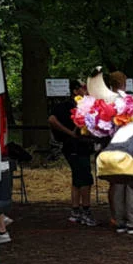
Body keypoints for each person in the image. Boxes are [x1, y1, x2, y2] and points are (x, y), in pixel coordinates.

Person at [48, 80, 98, 226]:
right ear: (75, 91)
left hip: (80, 146)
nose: (86, 91)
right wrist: (70, 133)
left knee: (77, 179)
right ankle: (86, 212)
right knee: (85, 179)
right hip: (74, 146)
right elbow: (51, 119)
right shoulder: (67, 106)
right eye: (83, 89)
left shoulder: (86, 106)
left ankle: (75, 211)